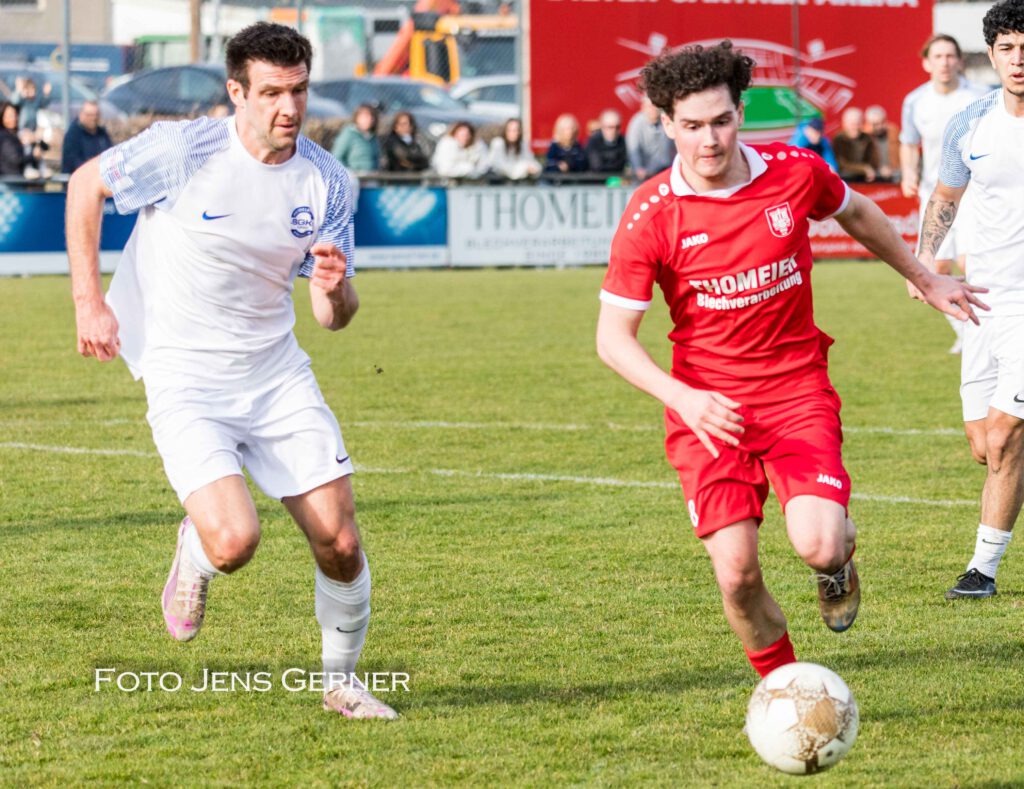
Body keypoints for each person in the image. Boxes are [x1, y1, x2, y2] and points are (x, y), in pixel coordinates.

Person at [596, 41, 986, 679]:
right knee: (737, 575)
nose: (709, 140)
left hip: (794, 392)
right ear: (665, 124)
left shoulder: (793, 171)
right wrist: (684, 398)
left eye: (721, 121)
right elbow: (613, 337)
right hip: (707, 410)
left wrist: (924, 274)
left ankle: (836, 567)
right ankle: (785, 690)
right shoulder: (650, 214)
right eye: (691, 125)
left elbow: (857, 211)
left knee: (820, 543)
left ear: (740, 112)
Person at [66, 21, 397, 719]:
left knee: (340, 541)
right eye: (271, 92)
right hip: (185, 376)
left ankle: (340, 684)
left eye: (298, 90)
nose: (289, 107)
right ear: (237, 93)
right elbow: (84, 185)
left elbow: (334, 317)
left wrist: (335, 286)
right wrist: (88, 303)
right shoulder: (184, 150)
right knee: (234, 541)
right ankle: (195, 553)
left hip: (276, 374)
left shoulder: (328, 181)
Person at [907, 0, 1024, 600]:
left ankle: (981, 571)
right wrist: (925, 262)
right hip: (982, 300)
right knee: (984, 446)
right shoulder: (969, 124)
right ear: (993, 55)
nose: (1019, 59)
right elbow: (945, 198)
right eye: (1008, 48)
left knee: (1005, 438)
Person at [900, 34, 990, 354]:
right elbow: (909, 143)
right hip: (935, 195)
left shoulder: (981, 96)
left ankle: (985, 329)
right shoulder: (915, 101)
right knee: (936, 270)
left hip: (975, 193)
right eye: (937, 56)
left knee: (969, 262)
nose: (945, 62)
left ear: (960, 61)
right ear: (927, 63)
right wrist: (908, 174)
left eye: (950, 56)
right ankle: (964, 329)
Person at [625, 94, 676, 181]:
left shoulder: (665, 121)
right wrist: (638, 168)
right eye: (649, 106)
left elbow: (671, 147)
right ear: (643, 107)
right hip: (643, 173)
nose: (653, 109)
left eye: (655, 106)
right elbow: (633, 149)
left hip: (664, 169)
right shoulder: (636, 123)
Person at [61, 100, 113, 175]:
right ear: (81, 115)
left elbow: (110, 154)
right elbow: (73, 162)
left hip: (100, 177)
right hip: (78, 178)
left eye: (96, 115)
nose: (93, 118)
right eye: (90, 115)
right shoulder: (73, 134)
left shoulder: (102, 134)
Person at [832, 107, 880, 182]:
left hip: (865, 180)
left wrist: (869, 168)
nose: (855, 127)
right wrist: (864, 168)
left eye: (858, 124)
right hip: (845, 180)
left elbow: (873, 160)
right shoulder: (839, 139)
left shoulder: (867, 139)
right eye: (852, 124)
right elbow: (841, 164)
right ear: (845, 124)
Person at [331, 103, 380, 173]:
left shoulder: (373, 138)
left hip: (371, 177)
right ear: (357, 118)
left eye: (372, 116)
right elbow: (336, 157)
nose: (369, 119)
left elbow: (376, 160)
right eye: (365, 116)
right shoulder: (348, 134)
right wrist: (349, 173)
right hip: (353, 177)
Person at [584, 109, 627, 174]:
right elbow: (596, 166)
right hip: (597, 179)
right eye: (610, 127)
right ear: (602, 127)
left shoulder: (623, 141)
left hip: (618, 179)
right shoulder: (594, 141)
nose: (614, 131)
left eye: (617, 127)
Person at [863, 105, 899, 181]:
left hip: (895, 176)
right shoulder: (863, 137)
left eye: (882, 122)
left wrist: (892, 169)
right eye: (875, 124)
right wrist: (879, 170)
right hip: (872, 179)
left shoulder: (894, 132)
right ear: (868, 124)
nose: (880, 127)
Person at [0, 101, 26, 177]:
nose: (14, 118)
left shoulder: (16, 134)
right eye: (9, 116)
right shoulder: (3, 136)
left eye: (15, 115)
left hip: (16, 178)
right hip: (8, 180)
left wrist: (35, 139)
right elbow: (15, 159)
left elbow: (45, 147)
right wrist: (33, 156)